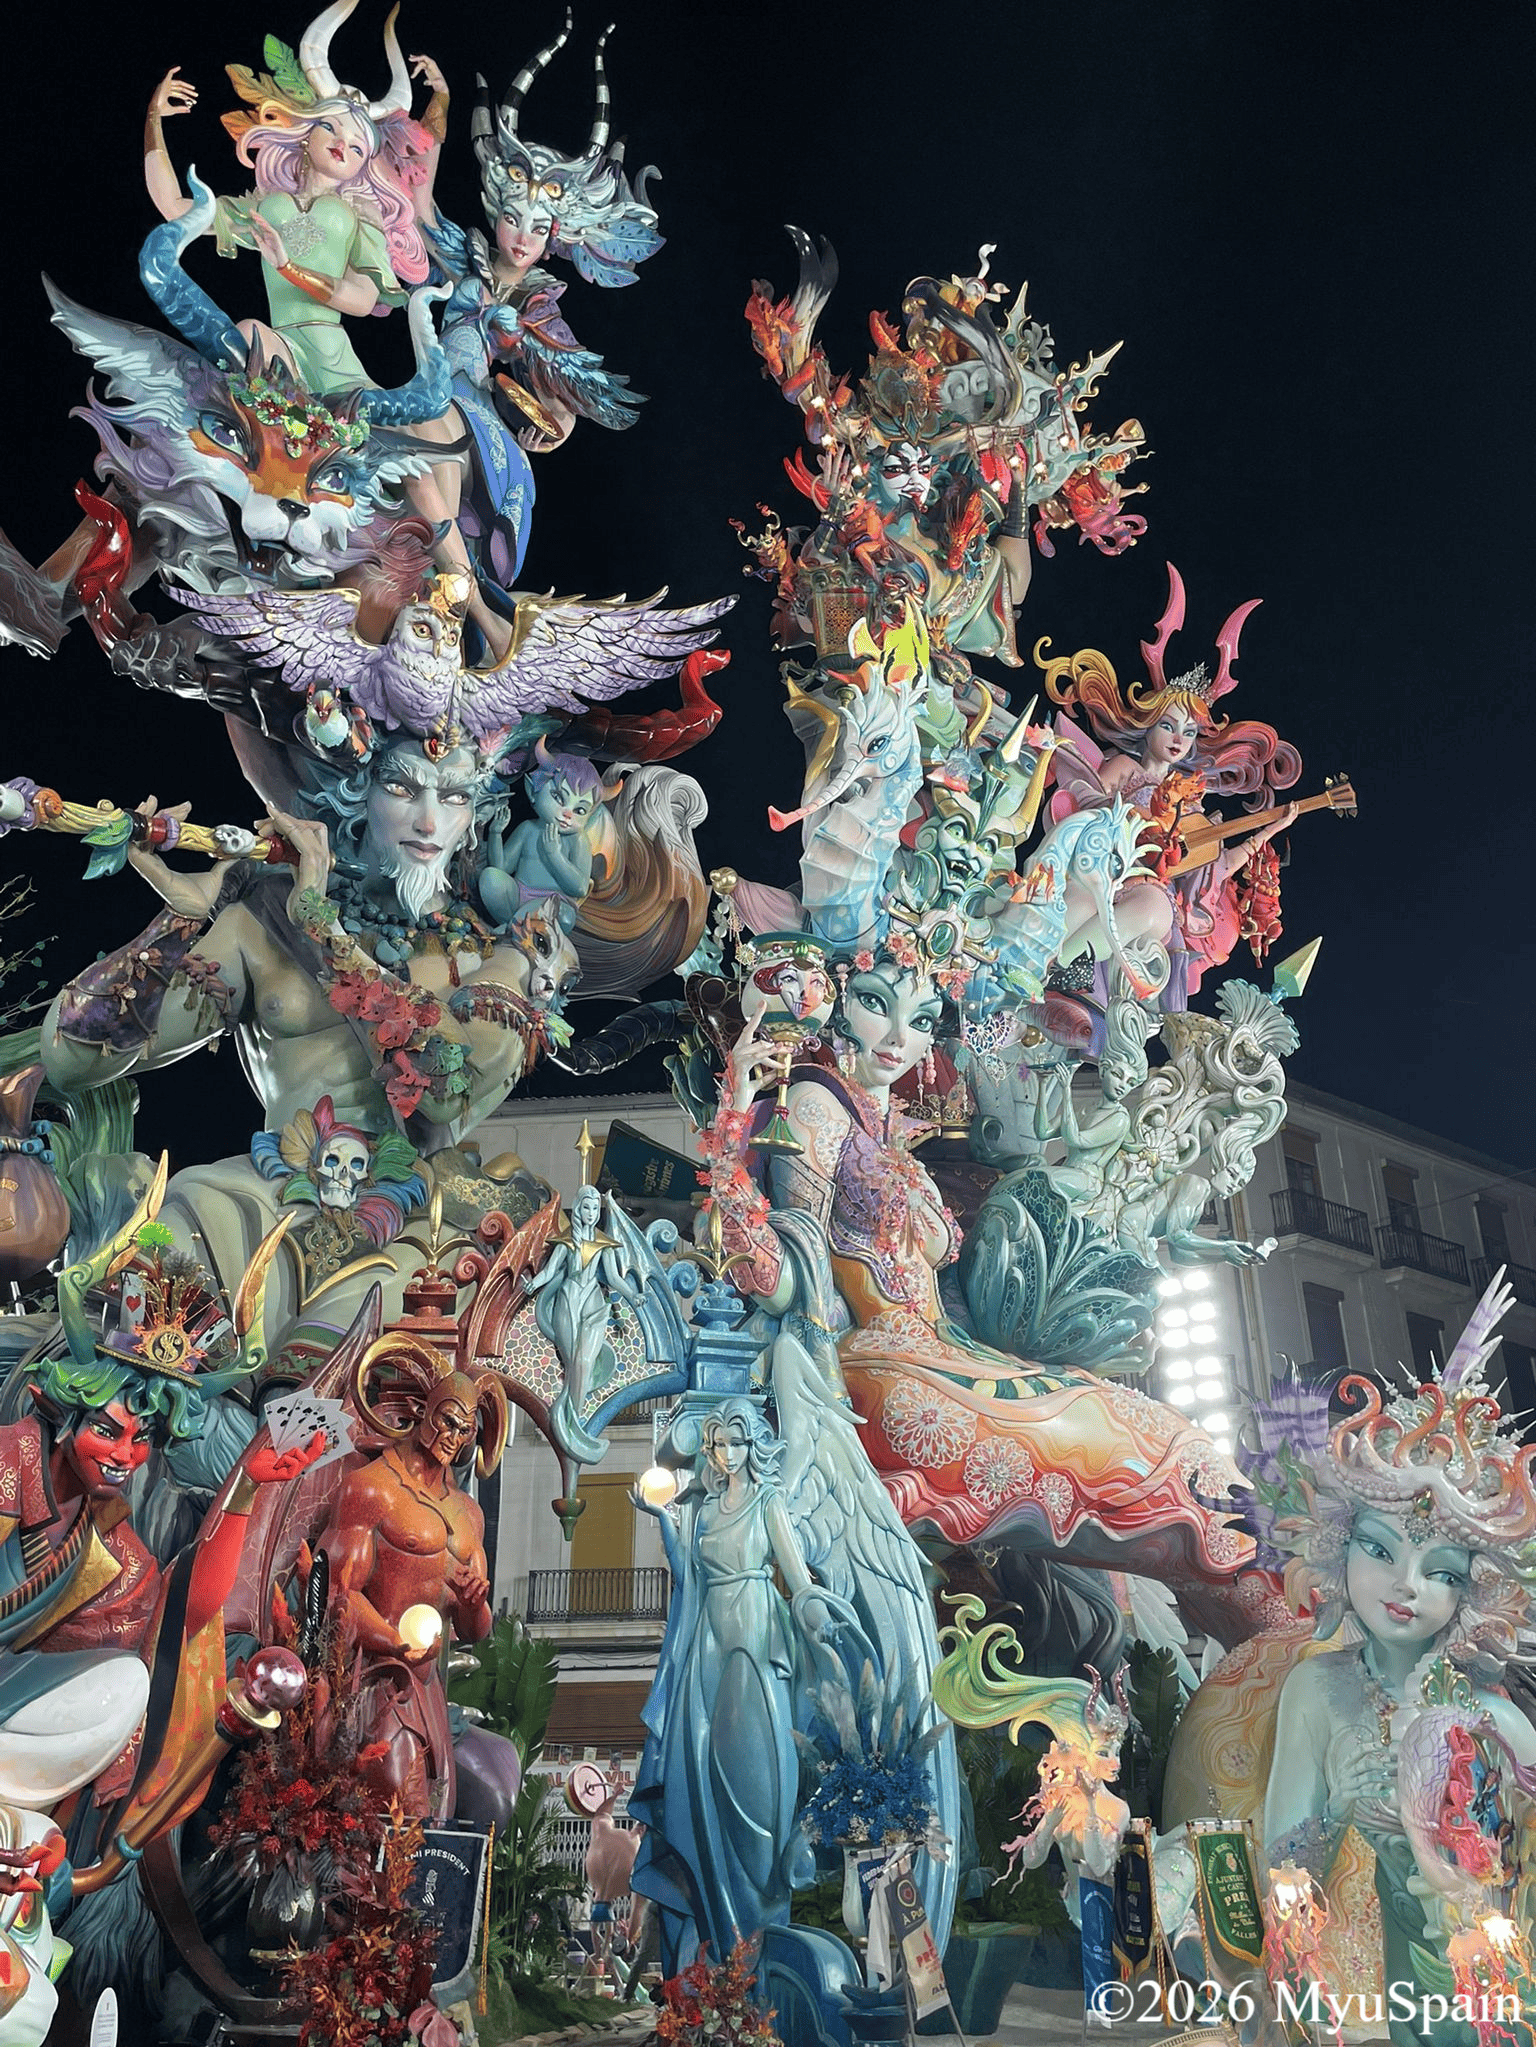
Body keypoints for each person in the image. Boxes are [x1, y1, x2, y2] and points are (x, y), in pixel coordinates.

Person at [709, 940, 1286, 1649]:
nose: (899, 1037)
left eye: (923, 1018)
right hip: (888, 1379)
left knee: (1160, 1437)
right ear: (837, 1004)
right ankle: (1269, 1613)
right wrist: (734, 1119)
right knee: (1140, 1452)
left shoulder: (883, 1129)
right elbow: (784, 1280)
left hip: (945, 1355)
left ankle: (1267, 1635)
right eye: (875, 1004)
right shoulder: (813, 1103)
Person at [38, 738, 579, 1353]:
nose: (430, 823)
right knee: (149, 1300)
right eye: (402, 789)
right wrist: (177, 919)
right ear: (355, 794)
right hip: (261, 1201)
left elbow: (442, 1091)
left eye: (454, 797)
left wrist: (323, 926)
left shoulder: (493, 959)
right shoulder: (265, 919)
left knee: (347, 1367)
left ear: (477, 814)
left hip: (412, 1228)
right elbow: (73, 1060)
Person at [1253, 1274, 1536, 2043]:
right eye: (1379, 1549)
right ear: (1337, 1546)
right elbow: (1284, 1877)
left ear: (1474, 1589)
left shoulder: (1497, 1718)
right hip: (1395, 1989)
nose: (1406, 1584)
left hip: (1499, 1984)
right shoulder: (1318, 1691)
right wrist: (1338, 1809)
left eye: (1440, 1570)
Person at [629, 1399, 847, 1970]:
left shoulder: (768, 1502)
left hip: (756, 1639)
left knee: (758, 1790)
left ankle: (760, 1944)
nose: (727, 1454)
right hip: (706, 1649)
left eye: (736, 1442)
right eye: (718, 1444)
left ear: (754, 1446)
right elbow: (687, 1576)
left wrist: (817, 1617)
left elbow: (796, 1577)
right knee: (701, 1788)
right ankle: (715, 1953)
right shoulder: (701, 1509)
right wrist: (662, 1519)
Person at [321, 1334, 507, 1817]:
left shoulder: (468, 1514)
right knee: (403, 1808)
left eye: (465, 1430)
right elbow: (338, 1593)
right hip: (376, 1673)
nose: (454, 1436)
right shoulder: (372, 1488)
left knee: (439, 1813)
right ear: (425, 1411)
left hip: (428, 1687)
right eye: (448, 1420)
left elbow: (475, 1631)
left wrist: (474, 1603)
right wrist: (392, 1641)